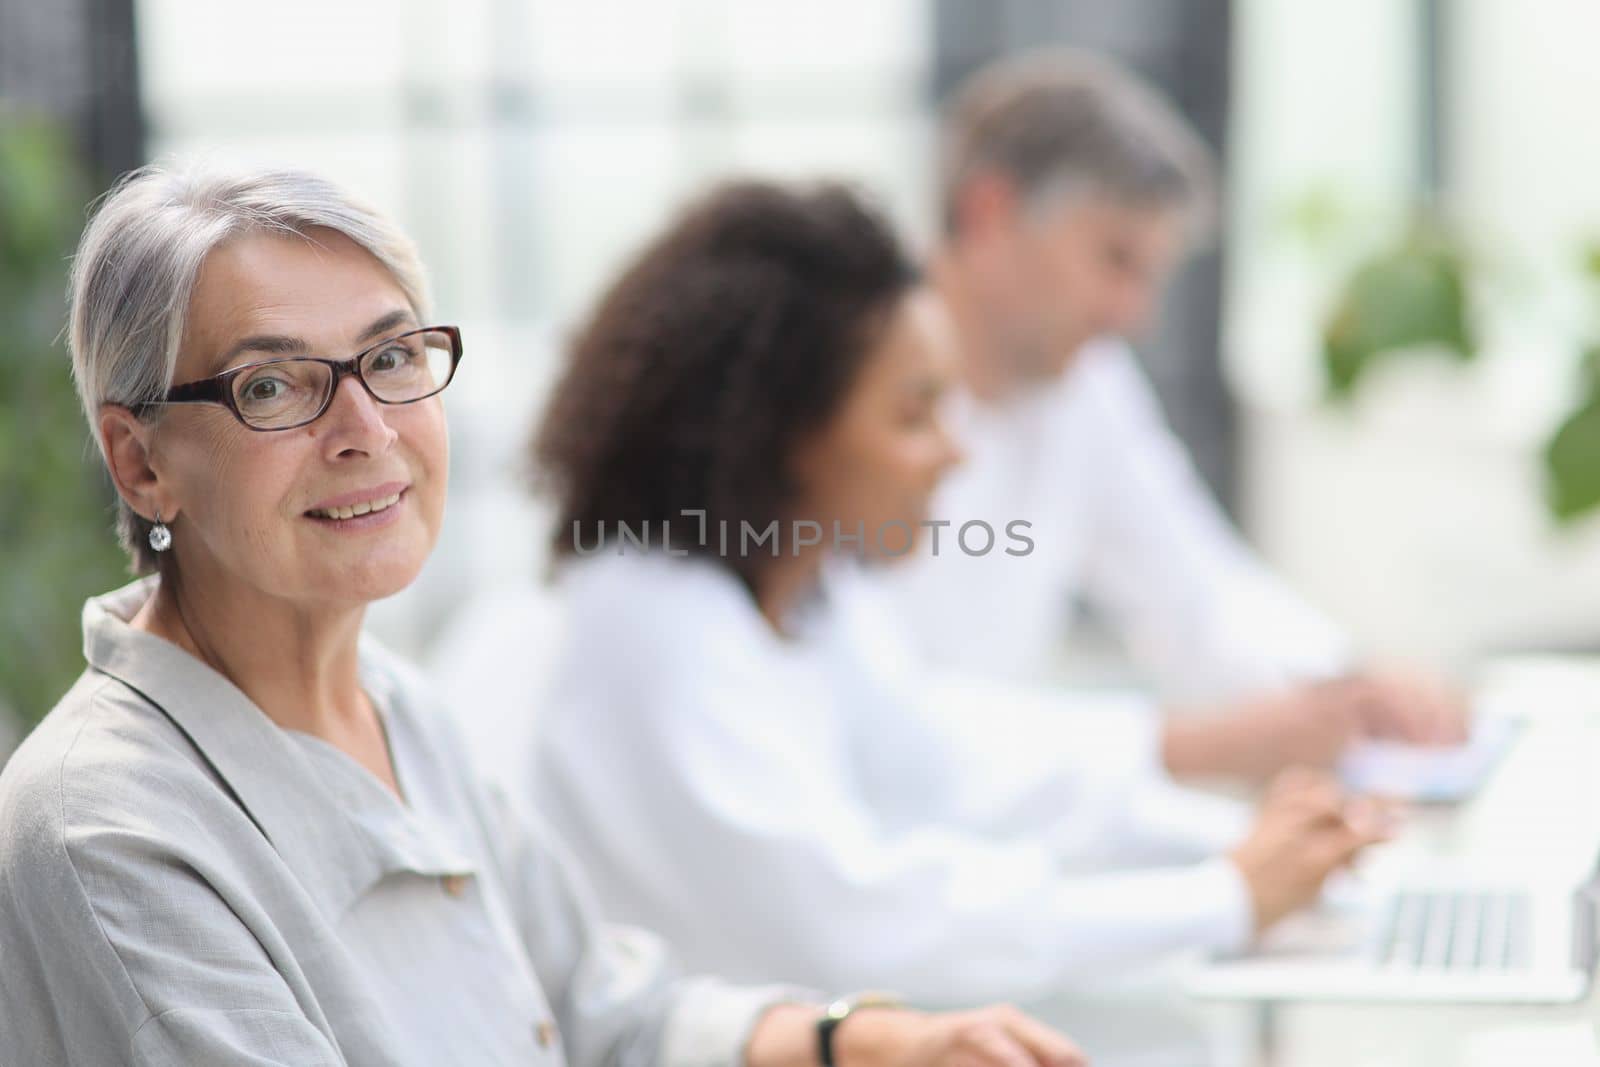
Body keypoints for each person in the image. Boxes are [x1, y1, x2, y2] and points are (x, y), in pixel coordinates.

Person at [0, 163, 1086, 1067]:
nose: (366, 429)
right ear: (141, 463)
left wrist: (865, 1038)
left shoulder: (398, 711)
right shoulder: (107, 833)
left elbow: (598, 1007)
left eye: (390, 358)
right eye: (275, 387)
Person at [526, 180, 1390, 1008]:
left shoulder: (811, 595)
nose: (957, 452)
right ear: (778, 431)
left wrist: (1243, 850)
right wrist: (1222, 894)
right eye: (913, 415)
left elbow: (948, 769)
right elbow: (866, 925)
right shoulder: (658, 630)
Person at [879, 48, 1465, 778]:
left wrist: (1349, 683)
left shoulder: (1083, 385)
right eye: (1114, 260)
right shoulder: (841, 393)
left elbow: (1195, 589)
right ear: (989, 214)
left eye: (1150, 275)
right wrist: (1189, 746)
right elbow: (883, 722)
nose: (1135, 315)